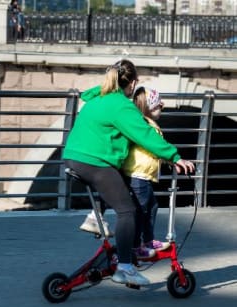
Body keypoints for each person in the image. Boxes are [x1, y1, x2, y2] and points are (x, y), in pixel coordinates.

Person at [63, 59, 195, 286]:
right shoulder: (121, 105)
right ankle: (125, 267)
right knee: (127, 211)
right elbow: (143, 133)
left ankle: (96, 218)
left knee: (120, 188)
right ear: (132, 83)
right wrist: (174, 156)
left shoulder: (98, 98)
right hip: (94, 161)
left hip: (74, 157)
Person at [80, 87, 171, 260]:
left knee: (151, 207)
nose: (162, 109)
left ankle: (148, 240)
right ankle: (136, 246)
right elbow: (150, 145)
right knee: (139, 211)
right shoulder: (141, 124)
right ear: (148, 108)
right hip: (137, 176)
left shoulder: (148, 124)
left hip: (143, 175)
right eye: (159, 106)